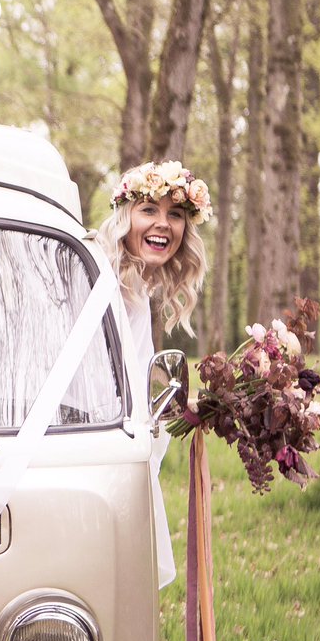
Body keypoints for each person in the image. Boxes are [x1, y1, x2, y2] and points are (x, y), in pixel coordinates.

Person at [96, 161, 211, 588]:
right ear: (124, 216)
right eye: (149, 210)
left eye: (175, 214)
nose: (163, 223)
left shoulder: (136, 288)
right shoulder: (104, 282)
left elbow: (129, 382)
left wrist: (190, 403)